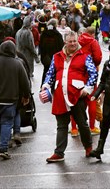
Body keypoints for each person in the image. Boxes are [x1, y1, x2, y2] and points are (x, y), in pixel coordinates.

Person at [42, 31, 98, 162]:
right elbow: (50, 73)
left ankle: (89, 148)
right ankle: (59, 152)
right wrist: (45, 85)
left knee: (82, 124)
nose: (73, 44)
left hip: (78, 96)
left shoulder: (85, 56)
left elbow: (93, 74)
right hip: (60, 97)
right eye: (70, 41)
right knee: (61, 125)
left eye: (75, 41)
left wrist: (88, 88)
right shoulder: (56, 57)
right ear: (65, 42)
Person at [0, 41, 31, 160]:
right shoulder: (17, 64)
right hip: (10, 100)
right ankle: (3, 148)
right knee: (7, 123)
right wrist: (26, 96)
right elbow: (25, 83)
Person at [38, 18, 64, 86]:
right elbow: (61, 46)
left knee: (46, 71)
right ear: (55, 25)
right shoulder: (58, 35)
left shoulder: (43, 34)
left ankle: (43, 85)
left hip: (45, 57)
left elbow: (40, 45)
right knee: (55, 72)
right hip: (55, 57)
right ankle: (53, 86)